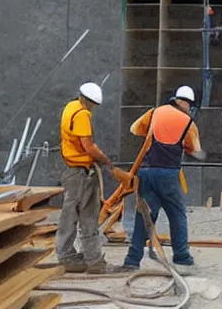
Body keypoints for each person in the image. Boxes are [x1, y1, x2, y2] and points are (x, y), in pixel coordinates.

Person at [120, 86, 204, 274]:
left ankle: (132, 260)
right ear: (188, 104)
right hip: (168, 174)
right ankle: (182, 257)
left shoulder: (154, 112)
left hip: (146, 173)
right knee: (177, 215)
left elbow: (135, 129)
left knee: (145, 216)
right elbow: (195, 150)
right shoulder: (188, 122)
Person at [56, 82, 115, 274]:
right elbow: (88, 147)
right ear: (87, 101)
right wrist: (106, 160)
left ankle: (66, 255)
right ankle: (94, 261)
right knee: (88, 216)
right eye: (93, 104)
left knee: (69, 215)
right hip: (81, 172)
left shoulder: (70, 107)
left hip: (71, 170)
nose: (93, 108)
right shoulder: (82, 115)